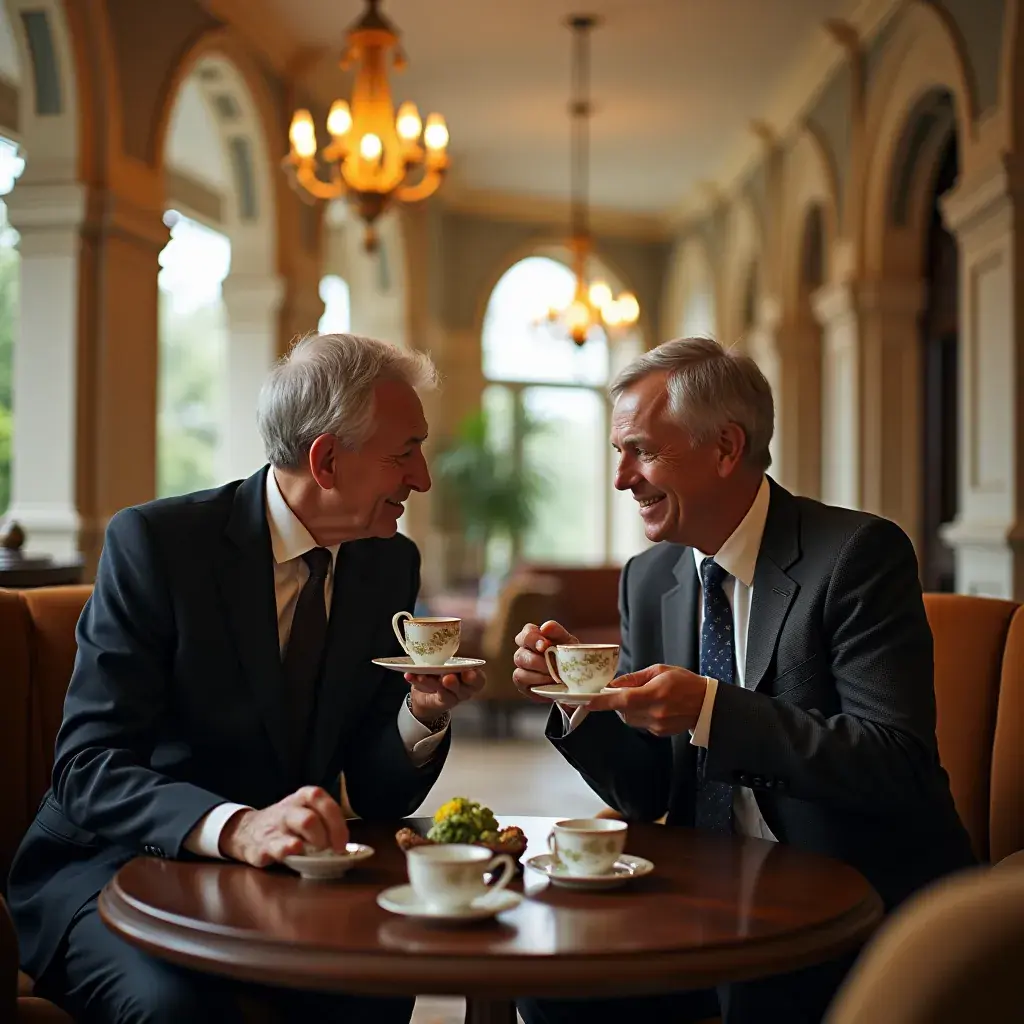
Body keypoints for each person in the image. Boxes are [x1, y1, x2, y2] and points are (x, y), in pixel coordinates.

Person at [7, 333, 486, 1024]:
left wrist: (422, 713)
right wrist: (237, 829)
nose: (423, 477)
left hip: (284, 883)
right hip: (112, 868)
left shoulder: (388, 564)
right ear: (326, 460)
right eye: (404, 452)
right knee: (181, 1009)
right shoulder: (159, 546)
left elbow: (377, 791)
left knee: (376, 982)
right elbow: (88, 768)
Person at [512, 337, 975, 1024]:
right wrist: (581, 702)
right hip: (703, 898)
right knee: (553, 990)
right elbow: (646, 793)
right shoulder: (652, 578)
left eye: (641, 450)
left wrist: (711, 710)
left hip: (846, 900)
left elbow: (894, 761)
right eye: (618, 454)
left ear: (726, 448)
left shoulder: (857, 555)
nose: (622, 479)